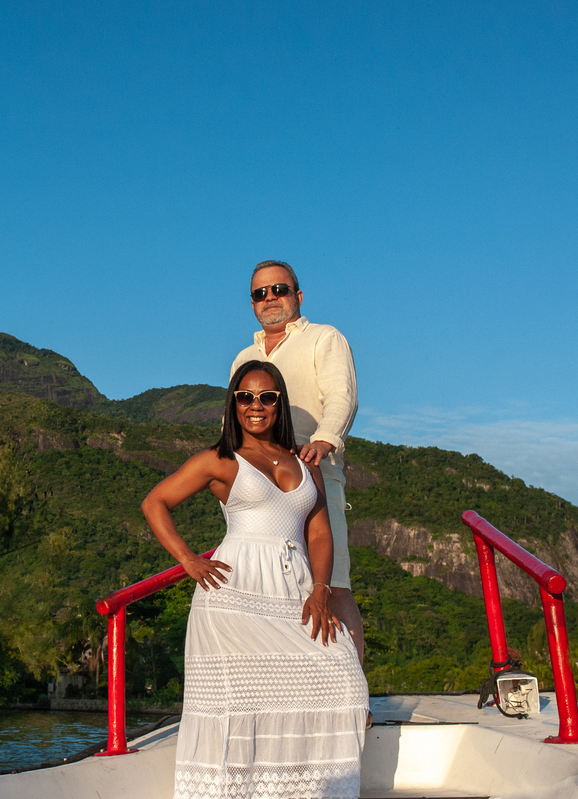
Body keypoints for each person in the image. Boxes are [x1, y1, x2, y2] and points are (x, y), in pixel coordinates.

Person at [142, 362, 367, 799]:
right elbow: (155, 502)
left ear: (279, 402)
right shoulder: (220, 460)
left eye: (267, 397)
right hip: (234, 595)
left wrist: (321, 591)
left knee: (345, 681)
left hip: (295, 589)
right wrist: (189, 560)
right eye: (246, 397)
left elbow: (319, 531)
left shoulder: (305, 462)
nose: (256, 406)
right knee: (240, 704)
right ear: (234, 404)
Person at [230, 260, 364, 664]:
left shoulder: (325, 339)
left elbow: (342, 396)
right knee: (265, 591)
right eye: (260, 293)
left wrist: (324, 441)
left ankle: (355, 698)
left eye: (279, 290)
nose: (270, 298)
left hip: (312, 476)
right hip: (255, 488)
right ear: (252, 302)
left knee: (333, 586)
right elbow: (230, 425)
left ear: (298, 296)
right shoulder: (243, 358)